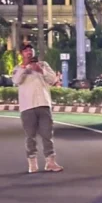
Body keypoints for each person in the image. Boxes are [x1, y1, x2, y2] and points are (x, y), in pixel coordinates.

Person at [12, 43, 63, 173]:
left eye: (31, 49)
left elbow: (53, 79)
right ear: (21, 54)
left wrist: (41, 71)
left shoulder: (43, 65)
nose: (29, 52)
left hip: (44, 104)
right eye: (26, 50)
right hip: (27, 106)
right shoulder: (18, 68)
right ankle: (32, 163)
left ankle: (50, 162)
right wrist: (25, 68)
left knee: (47, 135)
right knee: (30, 136)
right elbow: (16, 81)